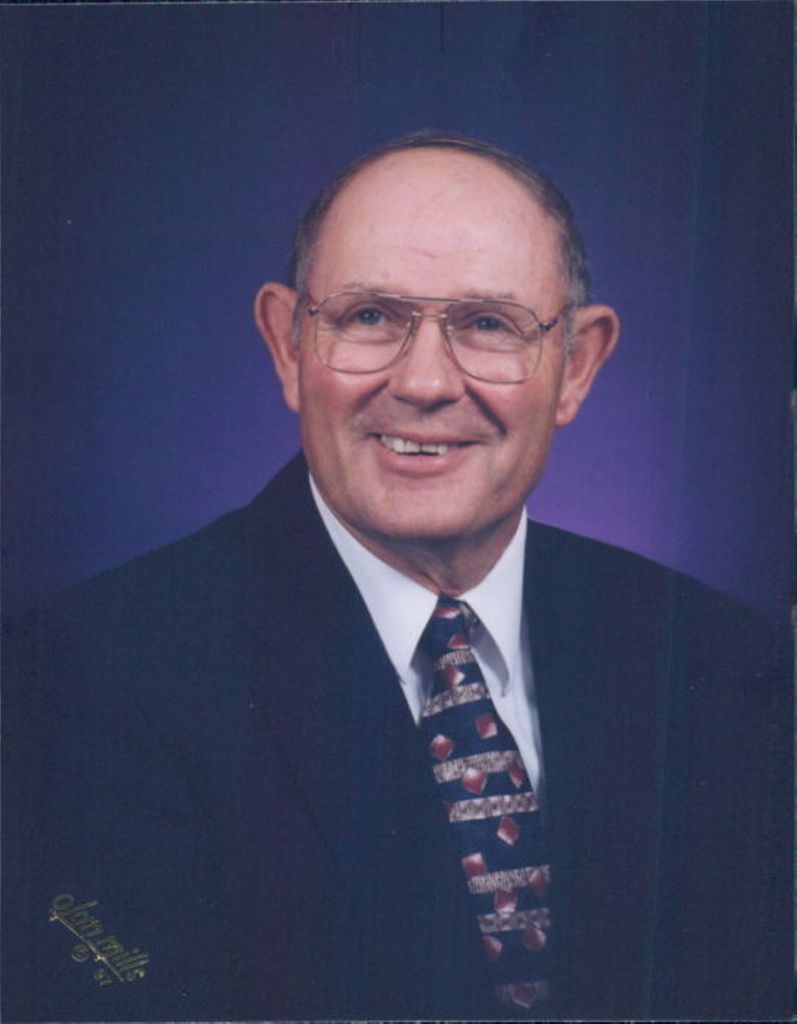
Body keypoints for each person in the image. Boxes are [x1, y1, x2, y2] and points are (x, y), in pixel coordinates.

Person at [2, 133, 790, 1022]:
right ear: (287, 344)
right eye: (370, 315)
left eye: (487, 323)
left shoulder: (724, 660)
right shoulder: (82, 678)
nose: (422, 383)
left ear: (575, 365)